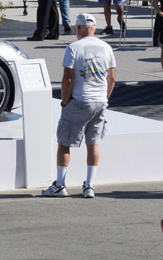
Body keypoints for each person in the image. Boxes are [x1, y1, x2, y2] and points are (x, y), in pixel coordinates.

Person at [42, 14, 116, 199]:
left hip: (79, 101)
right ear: (94, 29)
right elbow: (112, 78)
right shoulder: (106, 47)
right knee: (93, 143)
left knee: (64, 143)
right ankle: (89, 186)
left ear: (78, 28)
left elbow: (68, 78)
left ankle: (60, 185)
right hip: (100, 102)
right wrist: (104, 97)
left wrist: (65, 101)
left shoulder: (74, 47)